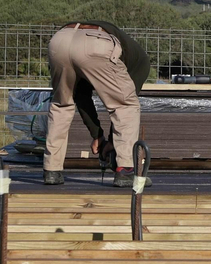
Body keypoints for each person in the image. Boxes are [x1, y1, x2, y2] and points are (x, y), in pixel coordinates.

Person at [43, 20, 151, 186]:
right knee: (126, 106)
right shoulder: (140, 64)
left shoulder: (127, 58)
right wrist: (107, 141)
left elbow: (80, 96)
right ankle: (126, 171)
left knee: (61, 104)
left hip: (60, 40)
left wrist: (99, 136)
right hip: (95, 44)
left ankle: (52, 170)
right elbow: (120, 110)